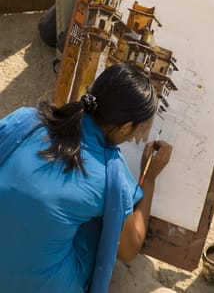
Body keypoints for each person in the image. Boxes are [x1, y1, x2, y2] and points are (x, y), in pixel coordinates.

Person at [0, 63, 172, 293]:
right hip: (40, 287)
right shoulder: (111, 176)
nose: (134, 139)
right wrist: (148, 179)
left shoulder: (25, 120)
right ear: (125, 127)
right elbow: (129, 249)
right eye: (137, 132)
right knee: (103, 223)